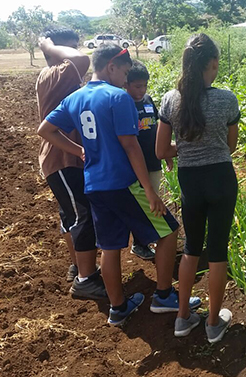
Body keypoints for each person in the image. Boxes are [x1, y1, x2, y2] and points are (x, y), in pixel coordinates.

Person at [38, 44, 201, 326]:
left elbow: (45, 130)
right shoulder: (118, 98)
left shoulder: (75, 98)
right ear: (110, 66)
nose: (126, 80)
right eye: (124, 72)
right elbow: (131, 146)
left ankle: (118, 308)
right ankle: (163, 295)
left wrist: (78, 150)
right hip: (122, 183)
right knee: (169, 232)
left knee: (110, 247)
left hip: (94, 185)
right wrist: (150, 191)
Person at [156, 33, 239, 343]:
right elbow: (230, 145)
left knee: (191, 248)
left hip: (190, 179)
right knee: (217, 251)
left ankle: (182, 318)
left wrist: (185, 145)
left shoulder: (170, 99)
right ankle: (214, 323)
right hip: (220, 177)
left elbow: (161, 151)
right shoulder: (226, 98)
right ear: (212, 64)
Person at [36, 28, 107, 300]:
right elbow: (81, 59)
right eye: (69, 46)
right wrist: (49, 45)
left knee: (70, 214)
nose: (74, 50)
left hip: (61, 158)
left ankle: (79, 265)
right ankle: (85, 280)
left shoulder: (57, 77)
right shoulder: (58, 72)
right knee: (82, 215)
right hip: (62, 157)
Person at [124, 60, 173, 260]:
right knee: (142, 204)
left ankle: (145, 239)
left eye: (144, 85)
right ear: (125, 84)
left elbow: (157, 131)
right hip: (136, 165)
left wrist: (167, 155)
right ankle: (139, 243)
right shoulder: (124, 104)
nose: (141, 90)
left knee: (151, 200)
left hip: (153, 161)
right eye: (137, 86)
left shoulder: (148, 100)